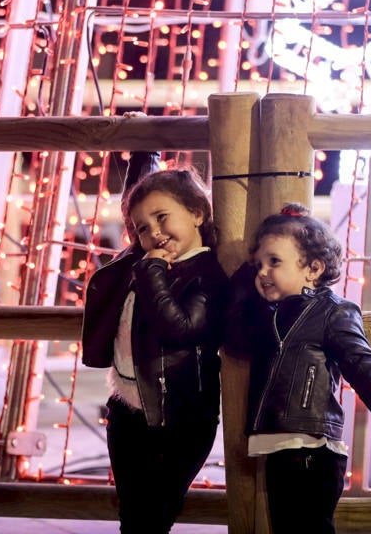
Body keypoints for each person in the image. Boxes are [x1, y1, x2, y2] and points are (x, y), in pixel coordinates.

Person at [226, 203, 371, 534]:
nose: (263, 272)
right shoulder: (269, 314)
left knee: (311, 529)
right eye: (259, 264)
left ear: (313, 269)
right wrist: (244, 273)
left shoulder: (333, 312)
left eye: (275, 262)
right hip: (281, 446)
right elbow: (236, 340)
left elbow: (360, 359)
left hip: (313, 448)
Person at [80, 149, 229, 534]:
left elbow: (178, 328)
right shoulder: (144, 258)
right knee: (132, 515)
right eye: (143, 228)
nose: (153, 233)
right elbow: (137, 198)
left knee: (154, 517)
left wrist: (152, 272)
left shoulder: (206, 273)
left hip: (180, 418)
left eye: (163, 218)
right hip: (126, 411)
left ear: (197, 213)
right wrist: (145, 147)